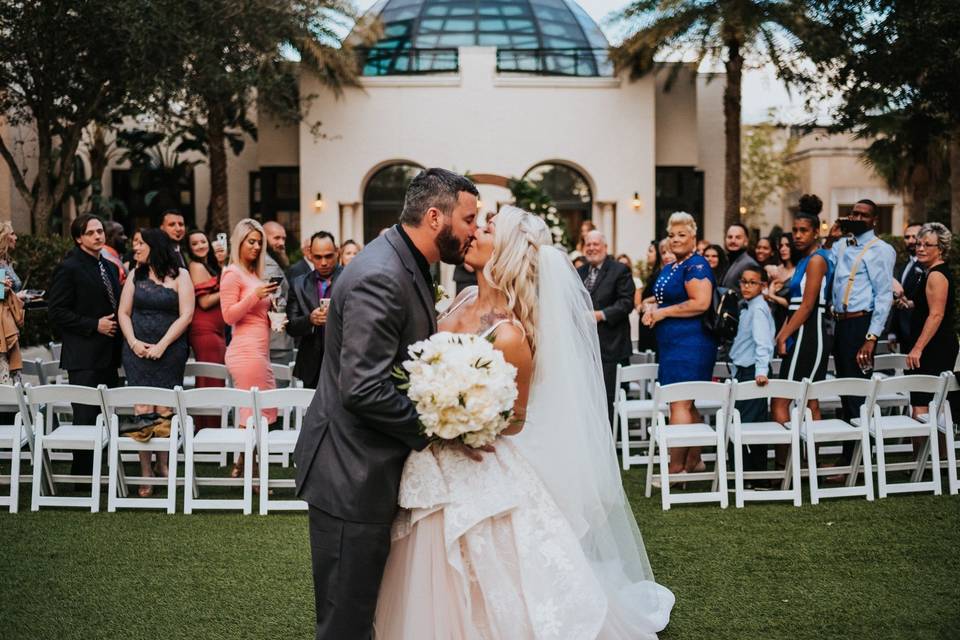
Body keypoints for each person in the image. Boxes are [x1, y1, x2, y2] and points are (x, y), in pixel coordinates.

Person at [375, 206, 674, 639]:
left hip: (473, 465)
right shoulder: (459, 299)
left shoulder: (511, 335)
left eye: (487, 228)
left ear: (508, 250)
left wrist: (460, 421)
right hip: (424, 458)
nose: (474, 232)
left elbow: (515, 420)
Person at [293, 168, 479, 639]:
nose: (474, 229)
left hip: (369, 467)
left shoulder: (407, 261)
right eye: (469, 218)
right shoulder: (381, 274)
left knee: (364, 614)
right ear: (436, 217)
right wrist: (438, 428)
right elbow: (363, 388)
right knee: (346, 621)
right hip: (349, 471)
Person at [117, 228, 194, 496]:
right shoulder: (135, 275)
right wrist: (134, 342)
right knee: (142, 410)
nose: (135, 248)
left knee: (164, 408)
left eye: (141, 244)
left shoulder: (181, 276)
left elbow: (186, 315)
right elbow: (123, 313)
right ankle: (145, 471)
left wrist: (162, 345)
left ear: (155, 246)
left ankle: (164, 465)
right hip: (137, 352)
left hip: (170, 351)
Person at [47, 214, 122, 481]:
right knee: (86, 419)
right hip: (84, 357)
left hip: (109, 355)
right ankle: (82, 479)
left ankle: (107, 474)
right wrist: (94, 325)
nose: (98, 236)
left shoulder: (109, 267)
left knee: (108, 417)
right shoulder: (69, 268)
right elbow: (55, 311)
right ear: (79, 238)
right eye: (91, 233)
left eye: (100, 231)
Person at [642, 212, 717, 475]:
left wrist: (661, 313)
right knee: (686, 404)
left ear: (693, 237)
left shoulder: (697, 265)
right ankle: (694, 460)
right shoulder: (672, 265)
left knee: (679, 403)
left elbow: (700, 303)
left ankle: (675, 469)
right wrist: (650, 305)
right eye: (671, 235)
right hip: (671, 343)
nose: (675, 239)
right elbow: (663, 296)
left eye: (681, 235)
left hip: (691, 343)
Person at [826, 198, 896, 466]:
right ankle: (849, 457)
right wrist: (830, 239)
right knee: (845, 394)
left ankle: (858, 462)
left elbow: (883, 297)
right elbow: (824, 271)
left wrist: (871, 338)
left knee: (857, 396)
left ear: (874, 220)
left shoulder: (881, 249)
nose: (856, 217)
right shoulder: (842, 244)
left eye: (863, 215)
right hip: (839, 325)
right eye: (853, 213)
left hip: (861, 326)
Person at [770, 212, 833, 465]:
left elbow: (807, 306)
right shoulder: (806, 260)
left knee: (781, 399)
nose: (797, 235)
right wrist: (783, 331)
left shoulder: (817, 260)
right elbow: (795, 306)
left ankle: (785, 466)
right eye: (794, 230)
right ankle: (807, 464)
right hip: (801, 330)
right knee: (809, 399)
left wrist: (783, 335)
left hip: (810, 334)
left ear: (816, 232)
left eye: (803, 230)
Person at [221, 218, 279, 474]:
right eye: (251, 242)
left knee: (258, 411)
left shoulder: (255, 275)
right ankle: (250, 470)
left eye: (259, 242)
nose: (256, 247)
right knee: (252, 413)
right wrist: (254, 296)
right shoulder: (232, 273)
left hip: (260, 350)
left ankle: (242, 465)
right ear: (239, 242)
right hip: (245, 352)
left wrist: (273, 312)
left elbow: (256, 314)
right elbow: (229, 316)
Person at [579, 231, 636, 425]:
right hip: (585, 348)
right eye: (588, 244)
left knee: (609, 398)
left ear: (605, 247)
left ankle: (611, 441)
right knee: (588, 397)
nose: (592, 248)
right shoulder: (580, 272)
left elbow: (626, 303)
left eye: (596, 244)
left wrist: (600, 315)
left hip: (612, 347)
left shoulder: (620, 270)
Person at [906, 223, 957, 419]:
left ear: (941, 248)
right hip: (932, 345)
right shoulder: (930, 272)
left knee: (924, 408)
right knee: (933, 407)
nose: (920, 248)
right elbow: (927, 307)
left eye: (927, 245)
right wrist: (908, 303)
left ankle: (927, 451)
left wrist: (918, 348)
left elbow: (936, 315)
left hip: (933, 348)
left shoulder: (936, 275)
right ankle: (934, 451)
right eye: (919, 244)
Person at [729, 265, 775, 475]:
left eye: (752, 282)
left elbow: (763, 343)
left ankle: (752, 475)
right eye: (743, 281)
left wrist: (761, 371)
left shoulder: (757, 309)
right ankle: (749, 474)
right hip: (744, 370)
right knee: (747, 422)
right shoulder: (749, 306)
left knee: (749, 425)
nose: (746, 286)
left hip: (754, 374)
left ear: (763, 286)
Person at [286, 232, 340, 389]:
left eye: (329, 256)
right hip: (311, 366)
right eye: (318, 257)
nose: (323, 262)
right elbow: (291, 326)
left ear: (337, 251)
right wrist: (310, 319)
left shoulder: (351, 278)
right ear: (309, 255)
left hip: (344, 362)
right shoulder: (299, 284)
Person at [186, 230, 227, 424]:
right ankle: (207, 428)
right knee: (210, 380)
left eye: (203, 241)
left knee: (213, 379)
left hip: (215, 330)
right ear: (189, 248)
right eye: (195, 244)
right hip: (205, 330)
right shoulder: (195, 266)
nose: (201, 246)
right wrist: (227, 285)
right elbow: (204, 301)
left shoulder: (206, 266)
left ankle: (209, 429)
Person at [262, 221, 294, 363]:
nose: (281, 242)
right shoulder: (268, 264)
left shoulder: (273, 261)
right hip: (276, 340)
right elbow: (276, 301)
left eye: (283, 238)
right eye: (276, 238)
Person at [890, 223, 924, 352]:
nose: (910, 240)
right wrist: (893, 332)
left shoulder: (928, 267)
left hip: (920, 332)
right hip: (903, 334)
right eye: (907, 237)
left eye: (914, 237)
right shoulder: (903, 267)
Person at [0, 221, 24, 383]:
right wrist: (4, 289)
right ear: (4, 238)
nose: (15, 237)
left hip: (11, 317)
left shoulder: (6, 261)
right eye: (12, 234)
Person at [765, 233, 800, 332]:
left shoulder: (799, 271)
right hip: (773, 319)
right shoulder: (774, 271)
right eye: (781, 246)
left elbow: (794, 304)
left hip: (790, 321)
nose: (783, 249)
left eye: (787, 245)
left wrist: (772, 295)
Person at [635, 241, 663, 354]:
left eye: (651, 251)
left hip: (653, 320)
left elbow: (661, 294)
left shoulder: (660, 273)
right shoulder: (654, 272)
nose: (647, 254)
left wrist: (647, 300)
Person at [720, 223, 758, 291]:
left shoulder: (749, 264)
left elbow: (751, 294)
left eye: (738, 237)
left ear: (746, 241)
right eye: (730, 237)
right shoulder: (727, 261)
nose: (733, 241)